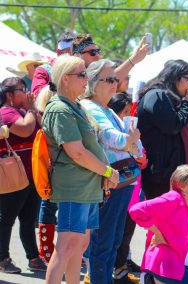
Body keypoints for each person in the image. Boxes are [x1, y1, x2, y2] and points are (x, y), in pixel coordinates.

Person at [37, 55, 119, 283]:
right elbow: (77, 152)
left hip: (86, 188)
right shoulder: (60, 109)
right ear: (64, 79)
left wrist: (103, 171)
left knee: (79, 245)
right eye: (82, 74)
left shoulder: (74, 106)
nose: (87, 79)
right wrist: (107, 171)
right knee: (66, 247)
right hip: (75, 188)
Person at [79, 59, 141, 284]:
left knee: (113, 243)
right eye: (110, 79)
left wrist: (131, 140)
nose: (116, 84)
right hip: (108, 181)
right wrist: (130, 140)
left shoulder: (106, 109)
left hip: (120, 181)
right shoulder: (89, 107)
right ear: (94, 83)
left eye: (116, 79)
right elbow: (113, 138)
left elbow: (133, 142)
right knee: (103, 243)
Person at [32, 30, 75, 264]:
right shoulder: (45, 71)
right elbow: (40, 98)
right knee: (49, 197)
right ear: (60, 51)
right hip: (52, 140)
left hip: (76, 136)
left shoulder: (83, 71)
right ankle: (47, 251)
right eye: (68, 52)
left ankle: (71, 252)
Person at [0, 77, 46, 273]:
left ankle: (33, 257)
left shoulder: (24, 110)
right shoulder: (5, 112)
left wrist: (33, 108)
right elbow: (26, 129)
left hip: (30, 175)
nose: (26, 92)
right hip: (13, 176)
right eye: (21, 89)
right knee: (6, 219)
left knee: (28, 219)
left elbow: (44, 127)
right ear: (9, 95)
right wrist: (30, 109)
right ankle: (2, 258)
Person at [136, 59, 188, 199]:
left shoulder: (166, 97)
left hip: (167, 172)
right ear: (175, 77)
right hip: (159, 175)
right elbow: (173, 125)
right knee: (161, 219)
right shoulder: (156, 95)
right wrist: (186, 103)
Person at [108, 92, 148, 279]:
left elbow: (143, 160)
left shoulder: (133, 134)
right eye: (125, 112)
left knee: (126, 233)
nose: (128, 116)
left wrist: (135, 148)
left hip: (133, 190)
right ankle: (112, 270)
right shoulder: (113, 135)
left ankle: (121, 268)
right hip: (118, 189)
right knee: (114, 233)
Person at [72, 33, 149, 82]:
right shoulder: (72, 76)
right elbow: (112, 78)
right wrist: (134, 58)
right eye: (92, 52)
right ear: (78, 55)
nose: (97, 55)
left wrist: (135, 58)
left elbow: (112, 78)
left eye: (98, 51)